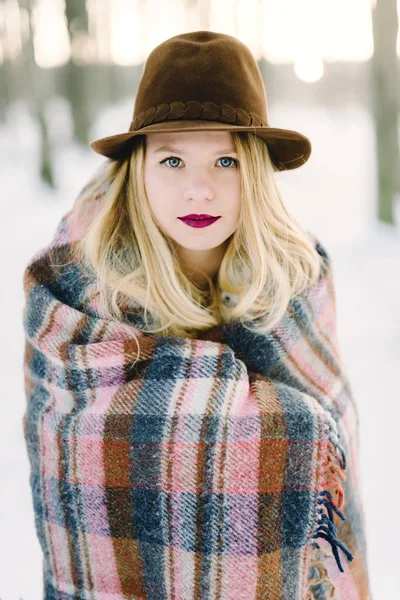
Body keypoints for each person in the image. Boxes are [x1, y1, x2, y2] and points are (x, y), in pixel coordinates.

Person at [22, 31, 373, 599]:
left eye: (226, 160)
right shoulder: (75, 300)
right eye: (173, 159)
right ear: (137, 169)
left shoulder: (297, 284)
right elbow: (78, 473)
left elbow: (334, 494)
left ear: (255, 171)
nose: (199, 189)